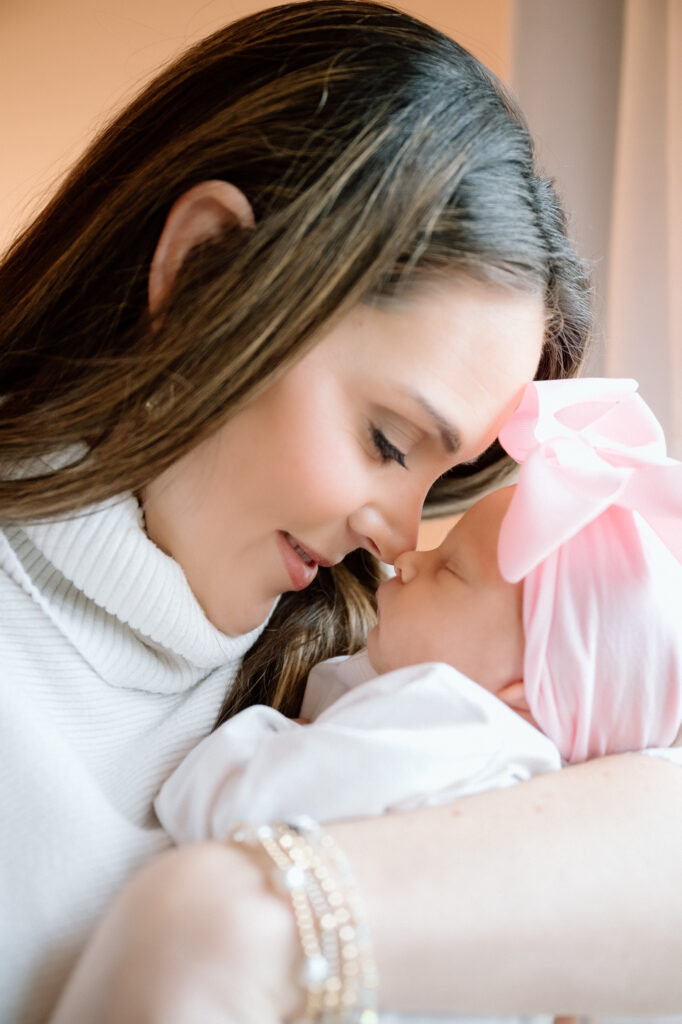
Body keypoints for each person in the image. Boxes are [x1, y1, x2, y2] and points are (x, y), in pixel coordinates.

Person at [0, 2, 679, 1022]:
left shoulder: (375, 670)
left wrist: (245, 926)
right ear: (199, 272)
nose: (402, 535)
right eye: (389, 441)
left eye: (438, 474)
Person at [153, 377, 682, 845]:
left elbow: (216, 807)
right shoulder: (490, 753)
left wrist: (273, 735)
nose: (406, 557)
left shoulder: (456, 728)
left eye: (450, 569)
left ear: (521, 694)